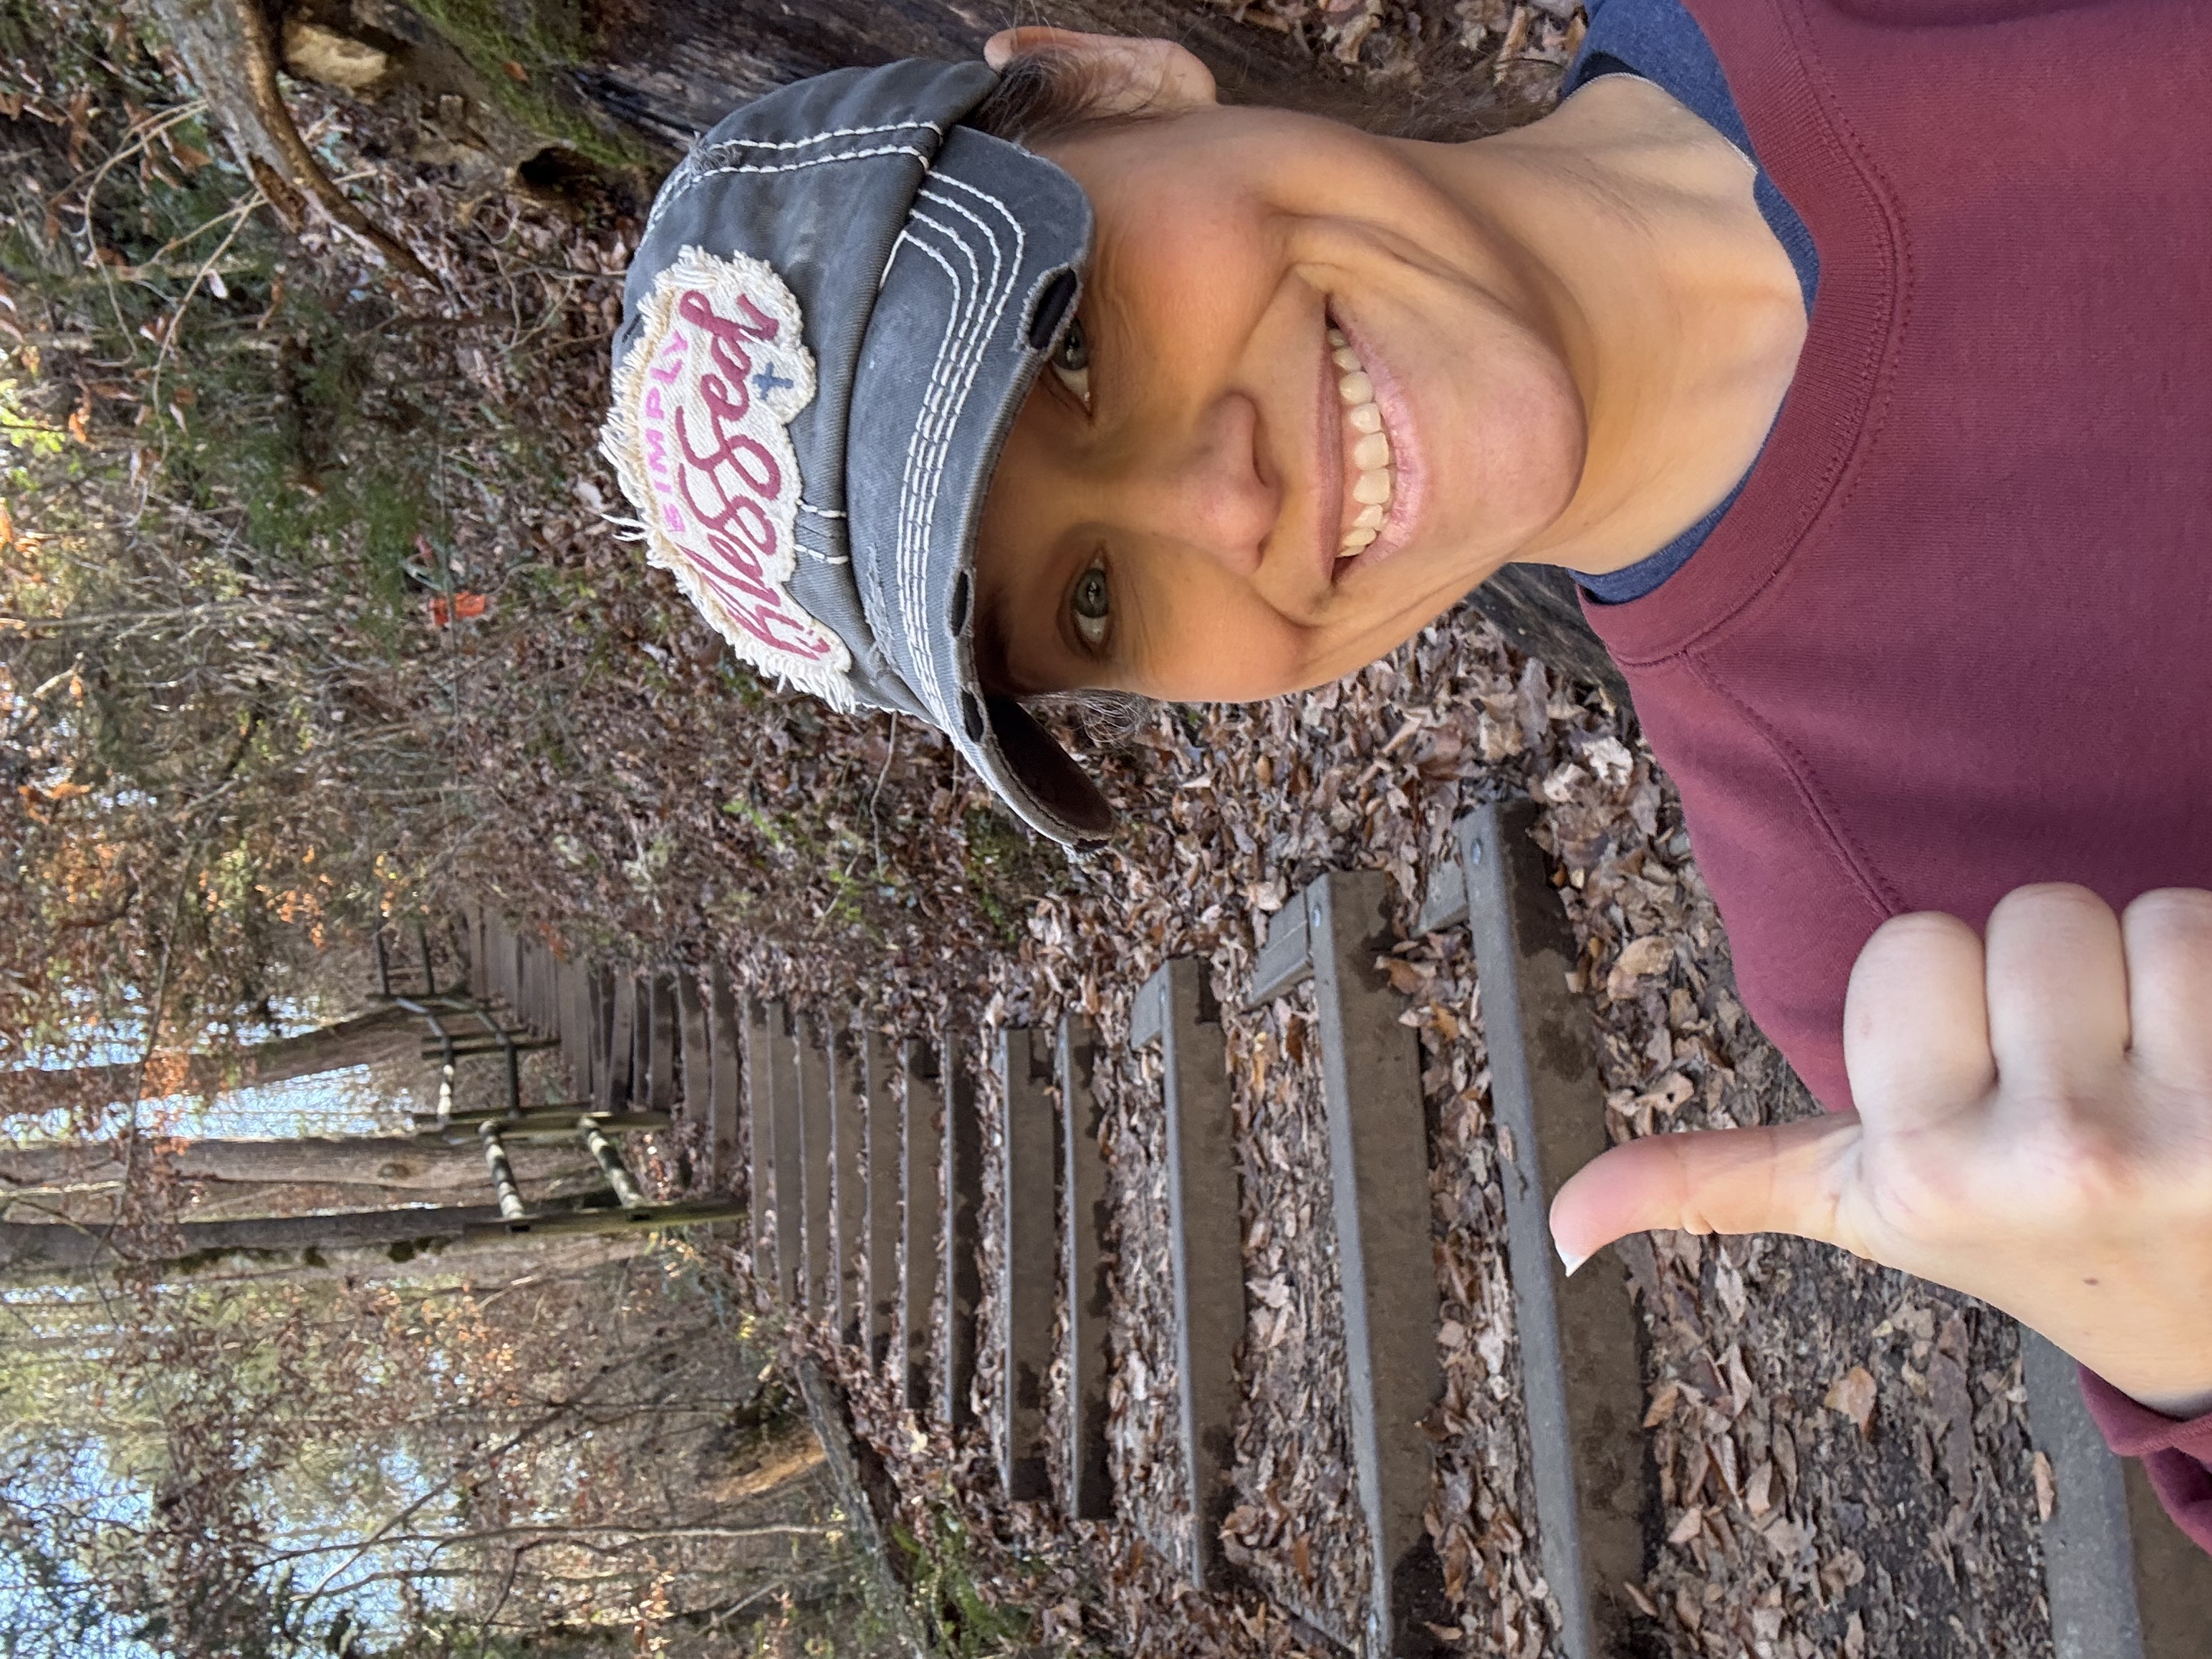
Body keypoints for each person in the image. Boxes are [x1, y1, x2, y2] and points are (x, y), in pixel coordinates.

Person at [598, 0, 2212, 1549]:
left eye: (1075, 347)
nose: (1216, 503)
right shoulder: (1904, 934)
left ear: (1110, 82)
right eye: (1092, 598)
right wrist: (2188, 1351)